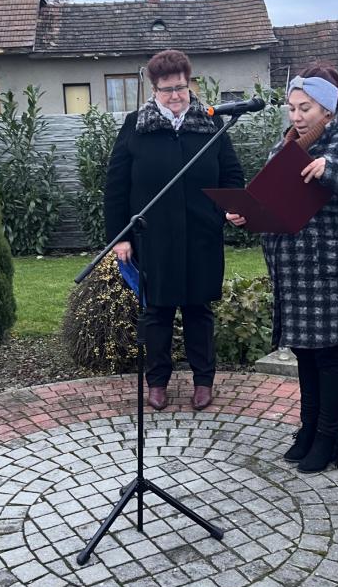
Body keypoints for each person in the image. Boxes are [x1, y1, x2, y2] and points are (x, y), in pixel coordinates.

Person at [227, 63, 338, 473]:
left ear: (327, 110)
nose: (296, 116)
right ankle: (309, 428)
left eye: (306, 108)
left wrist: (333, 171)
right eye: (292, 108)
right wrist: (247, 215)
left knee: (329, 357)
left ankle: (329, 439)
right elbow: (271, 203)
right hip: (292, 272)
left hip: (333, 271)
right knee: (304, 354)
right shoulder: (281, 149)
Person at [104, 49, 244, 411]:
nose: (176, 96)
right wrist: (120, 237)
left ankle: (203, 381)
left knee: (199, 310)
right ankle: (157, 382)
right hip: (154, 237)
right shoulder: (136, 126)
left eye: (181, 87)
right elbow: (116, 186)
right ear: (154, 90)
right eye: (167, 90)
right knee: (157, 312)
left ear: (188, 84)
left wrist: (230, 209)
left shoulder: (211, 123)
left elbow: (231, 174)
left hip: (201, 235)